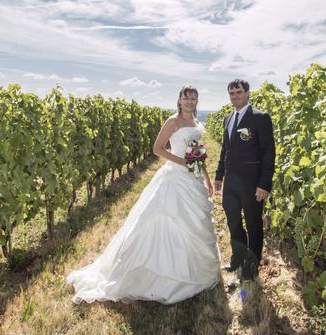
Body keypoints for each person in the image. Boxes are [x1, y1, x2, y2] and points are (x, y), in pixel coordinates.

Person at [66, 86, 220, 304]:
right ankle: (158, 278)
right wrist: (183, 162)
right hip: (175, 177)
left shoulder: (196, 122)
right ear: (179, 100)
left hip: (193, 179)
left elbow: (198, 153)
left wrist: (204, 175)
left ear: (197, 101)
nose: (189, 102)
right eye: (186, 98)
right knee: (164, 219)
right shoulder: (172, 122)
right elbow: (158, 149)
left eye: (193, 98)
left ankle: (195, 272)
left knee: (196, 222)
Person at [215, 79, 275, 281]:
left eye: (239, 92)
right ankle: (238, 258)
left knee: (253, 225)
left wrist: (264, 184)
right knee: (233, 222)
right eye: (231, 93)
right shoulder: (227, 118)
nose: (235, 96)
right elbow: (225, 150)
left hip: (252, 185)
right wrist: (219, 176)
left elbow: (269, 153)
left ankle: (252, 265)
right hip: (230, 183)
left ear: (248, 93)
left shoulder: (260, 118)